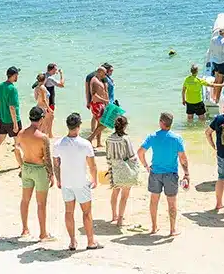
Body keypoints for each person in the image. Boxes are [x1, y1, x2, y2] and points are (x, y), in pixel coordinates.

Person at [137, 112, 190, 237]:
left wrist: (146, 166)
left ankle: (154, 227)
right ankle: (172, 230)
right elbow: (183, 158)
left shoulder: (152, 136)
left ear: (161, 122)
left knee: (154, 201)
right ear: (170, 124)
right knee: (172, 203)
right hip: (171, 175)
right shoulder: (177, 138)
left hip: (155, 173)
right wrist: (186, 174)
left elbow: (140, 152)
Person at [53, 112, 100, 251]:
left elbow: (56, 164)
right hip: (81, 182)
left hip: (66, 182)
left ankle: (73, 242)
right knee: (86, 213)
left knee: (69, 212)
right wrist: (95, 180)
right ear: (79, 127)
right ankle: (90, 242)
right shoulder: (85, 144)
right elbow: (92, 165)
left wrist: (58, 180)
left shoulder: (58, 144)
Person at [15, 106, 54, 241]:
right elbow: (47, 158)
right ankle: (43, 233)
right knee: (41, 203)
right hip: (39, 170)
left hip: (26, 168)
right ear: (42, 118)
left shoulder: (21, 133)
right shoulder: (43, 137)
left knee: (25, 200)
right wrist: (52, 174)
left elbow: (16, 150)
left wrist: (21, 166)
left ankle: (25, 229)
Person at [105, 115, 136, 226]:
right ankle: (120, 219)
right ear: (125, 126)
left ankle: (114, 215)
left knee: (115, 192)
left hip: (114, 168)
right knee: (124, 195)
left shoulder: (109, 138)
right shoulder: (125, 139)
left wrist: (110, 167)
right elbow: (131, 156)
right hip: (125, 169)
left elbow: (108, 156)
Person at [87, 66, 110, 148]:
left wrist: (106, 102)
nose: (106, 75)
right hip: (97, 105)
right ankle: (90, 138)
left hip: (101, 104)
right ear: (99, 72)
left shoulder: (100, 80)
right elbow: (94, 96)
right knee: (105, 123)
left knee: (100, 124)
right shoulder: (94, 81)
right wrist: (105, 101)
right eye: (104, 73)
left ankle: (98, 143)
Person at [208, 29, 224, 97]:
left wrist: (209, 60)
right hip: (222, 63)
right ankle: (217, 99)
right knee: (220, 82)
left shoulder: (213, 39)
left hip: (215, 62)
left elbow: (210, 50)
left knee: (216, 80)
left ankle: (213, 96)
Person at [32, 73, 55, 137]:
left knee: (41, 125)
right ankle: (42, 139)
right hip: (43, 108)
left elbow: (36, 98)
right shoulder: (42, 88)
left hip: (38, 106)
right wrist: (49, 108)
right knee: (43, 126)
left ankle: (38, 137)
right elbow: (44, 100)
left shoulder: (36, 88)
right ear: (44, 80)